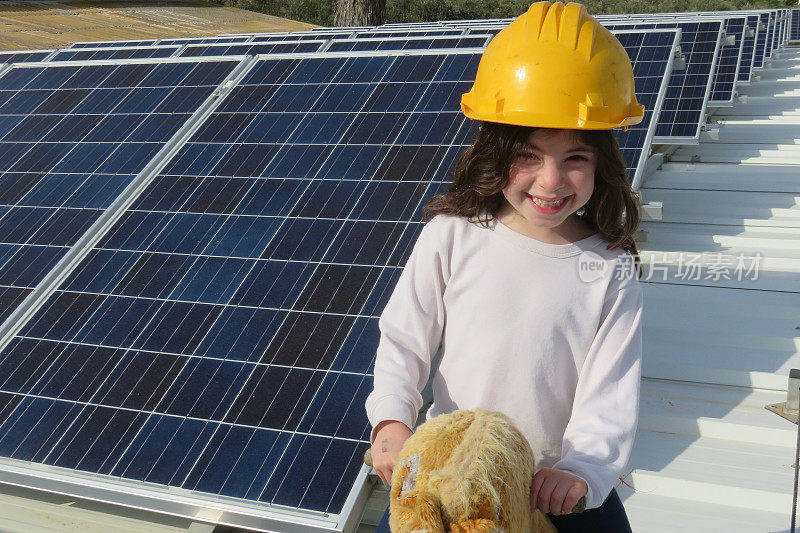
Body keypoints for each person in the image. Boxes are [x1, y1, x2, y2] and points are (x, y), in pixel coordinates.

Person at [365, 1, 645, 531]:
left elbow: (611, 391)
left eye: (576, 158)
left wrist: (583, 469)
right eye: (531, 155)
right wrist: (391, 423)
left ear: (601, 164)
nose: (551, 180)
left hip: (555, 489)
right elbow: (403, 342)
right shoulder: (451, 237)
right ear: (496, 153)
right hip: (451, 477)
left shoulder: (609, 268)